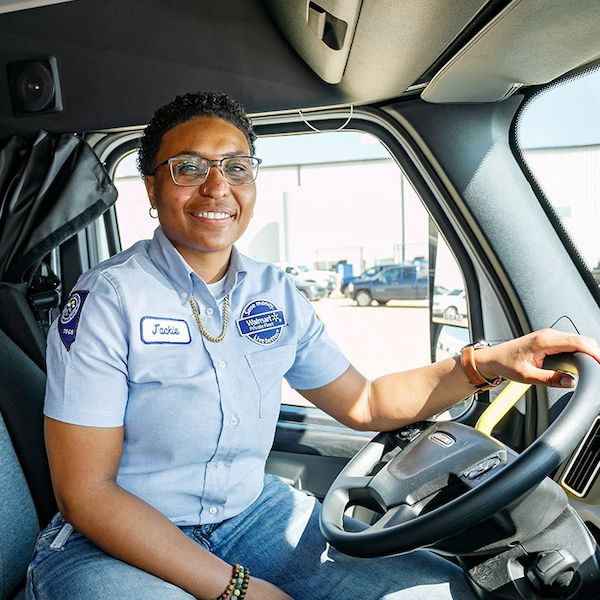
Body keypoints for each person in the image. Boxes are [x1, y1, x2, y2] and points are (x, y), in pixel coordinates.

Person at [27, 92, 600, 600]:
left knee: (439, 590)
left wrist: (485, 363)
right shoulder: (106, 299)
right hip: (112, 538)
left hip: (250, 517)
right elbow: (87, 493)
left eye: (236, 166)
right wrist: (238, 589)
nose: (217, 186)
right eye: (189, 168)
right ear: (151, 188)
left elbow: (366, 404)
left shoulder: (275, 292)